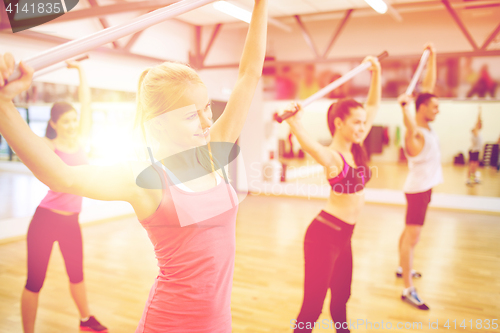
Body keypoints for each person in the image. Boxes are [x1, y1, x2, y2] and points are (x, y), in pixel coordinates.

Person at [0, 0, 267, 331]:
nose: (204, 121)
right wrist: (4, 107)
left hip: (218, 323)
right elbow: (61, 177)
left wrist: (261, 3)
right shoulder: (145, 178)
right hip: (167, 324)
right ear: (158, 124)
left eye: (206, 109)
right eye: (189, 115)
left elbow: (249, 74)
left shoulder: (215, 148)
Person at [286, 56, 381, 333]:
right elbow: (311, 146)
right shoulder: (334, 158)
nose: (363, 127)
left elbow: (373, 106)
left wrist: (377, 72)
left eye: (364, 122)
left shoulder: (357, 146)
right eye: (356, 122)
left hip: (344, 236)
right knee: (313, 307)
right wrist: (294, 122)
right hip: (323, 236)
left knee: (341, 297)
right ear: (339, 123)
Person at [13, 61, 107, 333]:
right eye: (66, 121)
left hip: (71, 222)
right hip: (46, 220)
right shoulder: (47, 146)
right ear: (53, 123)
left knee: (77, 275)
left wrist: (80, 72)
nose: (72, 125)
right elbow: (21, 134)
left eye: (74, 120)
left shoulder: (81, 141)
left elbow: (86, 105)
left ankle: (86, 319)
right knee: (35, 281)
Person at [396, 43, 440, 310]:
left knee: (409, 235)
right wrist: (404, 108)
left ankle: (403, 268)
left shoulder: (424, 125)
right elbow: (410, 126)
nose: (437, 109)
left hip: (424, 188)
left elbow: (429, 87)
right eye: (434, 107)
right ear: (421, 109)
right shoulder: (416, 133)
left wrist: (432, 58)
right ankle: (407, 290)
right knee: (413, 238)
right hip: (418, 191)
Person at [467, 106, 482, 186]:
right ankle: (468, 180)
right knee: (471, 167)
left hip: (477, 151)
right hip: (473, 151)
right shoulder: (475, 132)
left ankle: (473, 179)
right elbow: (478, 121)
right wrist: (480, 111)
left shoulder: (478, 133)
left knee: (475, 167)